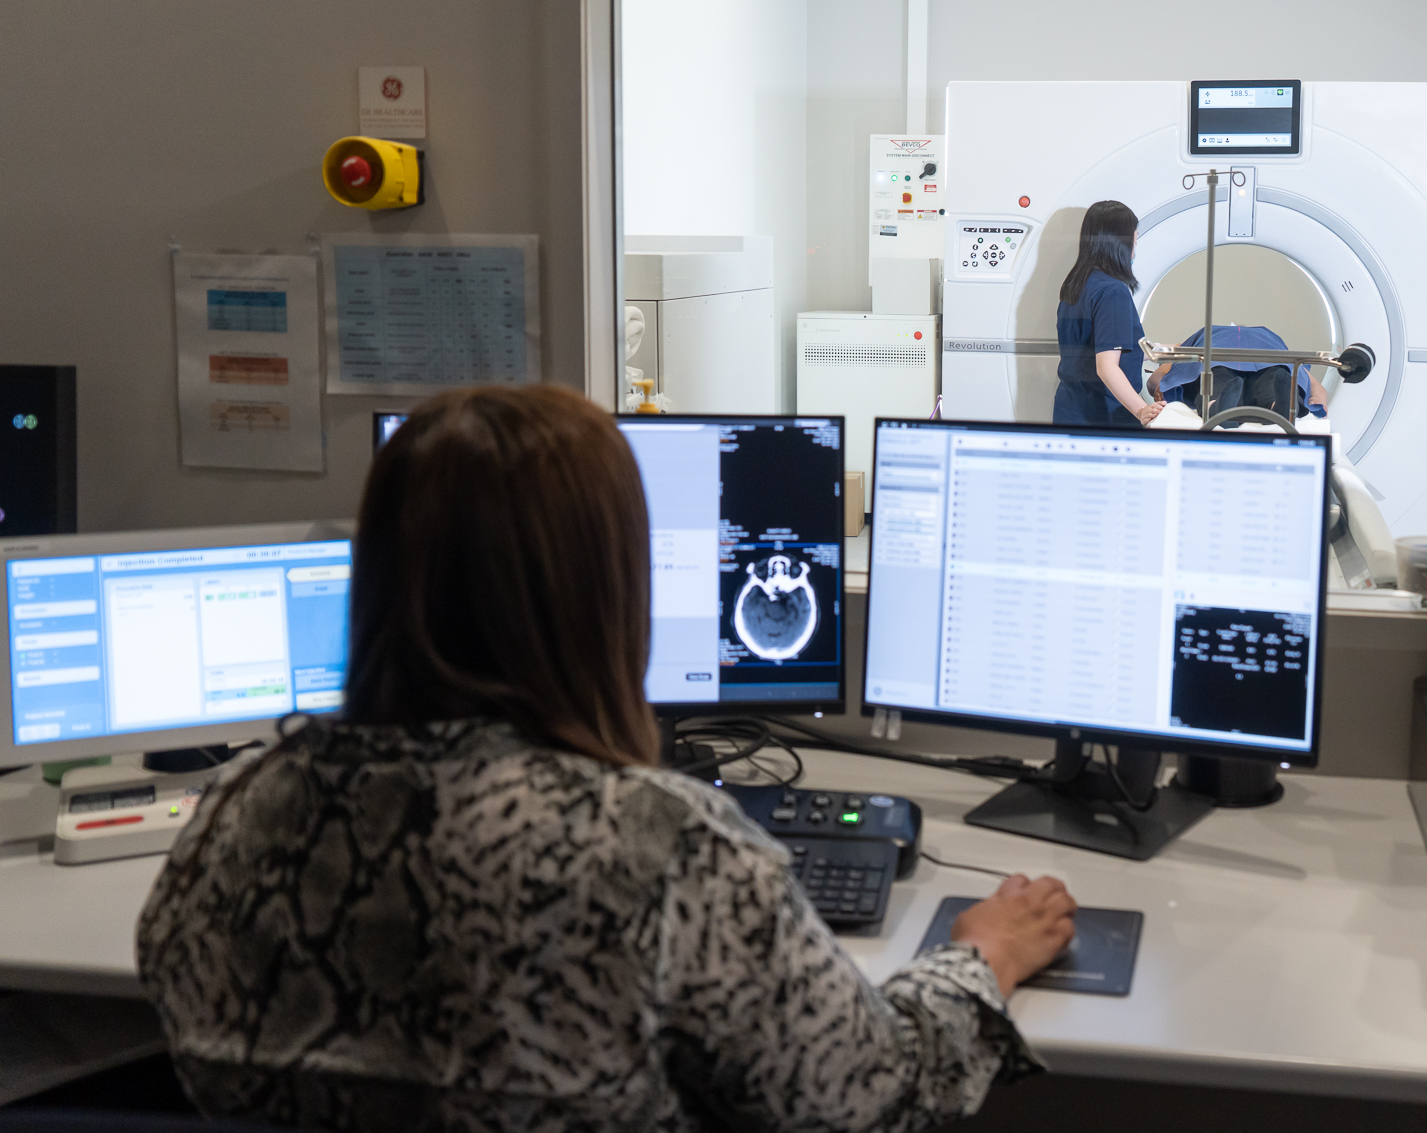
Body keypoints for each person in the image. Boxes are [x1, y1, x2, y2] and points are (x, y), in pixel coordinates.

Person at [136, 385, 1076, 1132]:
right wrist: (978, 956)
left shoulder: (236, 812)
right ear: (609, 592)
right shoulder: (656, 843)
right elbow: (865, 1093)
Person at [1053, 200, 1166, 426]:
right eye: (1134, 243)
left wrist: (1170, 352)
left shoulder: (1076, 284)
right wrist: (1142, 409)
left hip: (1070, 410)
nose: (1134, 252)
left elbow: (1109, 347)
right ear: (1120, 245)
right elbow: (1106, 366)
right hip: (1104, 417)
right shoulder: (1113, 292)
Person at [1149, 324, 1330, 422]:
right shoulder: (1265, 336)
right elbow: (1313, 383)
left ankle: (1217, 409)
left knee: (1215, 378)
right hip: (1269, 357)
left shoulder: (1200, 338)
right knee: (1274, 378)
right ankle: (1280, 407)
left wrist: (1161, 386)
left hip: (1216, 356)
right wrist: (1318, 398)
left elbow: (1161, 376)